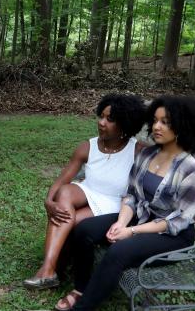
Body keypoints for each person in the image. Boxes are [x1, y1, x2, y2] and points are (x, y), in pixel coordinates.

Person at [32, 95, 195, 311]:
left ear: (183, 126)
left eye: (166, 122)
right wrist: (120, 222)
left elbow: (176, 221)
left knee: (118, 252)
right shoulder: (148, 155)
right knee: (84, 230)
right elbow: (131, 196)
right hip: (139, 218)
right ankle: (82, 288)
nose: (157, 127)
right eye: (156, 121)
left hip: (171, 236)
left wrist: (131, 231)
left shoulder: (193, 171)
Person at [23, 93, 148, 290]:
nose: (102, 123)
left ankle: (54, 270)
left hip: (115, 203)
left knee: (72, 220)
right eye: (101, 116)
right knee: (63, 193)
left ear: (125, 123)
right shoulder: (87, 147)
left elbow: (174, 159)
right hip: (88, 191)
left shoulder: (138, 150)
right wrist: (48, 200)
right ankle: (48, 269)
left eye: (110, 119)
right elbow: (62, 179)